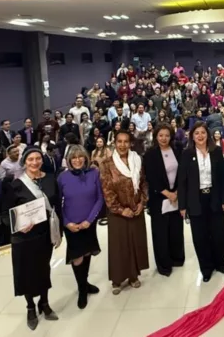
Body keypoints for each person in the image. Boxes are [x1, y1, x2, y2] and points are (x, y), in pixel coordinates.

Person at [4, 147, 62, 330]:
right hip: (24, 237)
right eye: (30, 159)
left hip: (44, 234)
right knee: (27, 272)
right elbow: (5, 214)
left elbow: (57, 205)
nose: (35, 162)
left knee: (44, 269)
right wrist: (19, 225)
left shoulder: (50, 179)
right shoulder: (16, 185)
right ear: (24, 162)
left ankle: (44, 303)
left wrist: (59, 231)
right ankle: (30, 307)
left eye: (38, 158)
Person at [177, 122, 224, 282]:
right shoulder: (187, 154)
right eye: (197, 133)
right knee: (200, 236)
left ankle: (220, 263)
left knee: (218, 233)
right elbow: (182, 181)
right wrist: (182, 205)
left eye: (203, 132)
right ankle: (206, 268)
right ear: (192, 136)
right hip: (195, 199)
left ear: (208, 135)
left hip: (214, 197)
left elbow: (223, 177)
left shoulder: (217, 151)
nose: (200, 136)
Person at [99, 130, 149, 294]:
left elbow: (143, 183)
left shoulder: (137, 160)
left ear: (130, 143)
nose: (122, 145)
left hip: (136, 209)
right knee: (119, 246)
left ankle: (133, 275)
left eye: (126, 141)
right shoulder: (107, 164)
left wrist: (142, 202)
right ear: (114, 143)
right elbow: (107, 190)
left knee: (135, 243)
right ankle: (117, 279)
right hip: (117, 213)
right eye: (119, 141)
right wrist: (120, 209)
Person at [57, 145, 103, 309]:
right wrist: (67, 222)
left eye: (80, 156)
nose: (77, 160)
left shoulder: (94, 173)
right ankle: (82, 289)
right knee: (77, 257)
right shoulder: (62, 177)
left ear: (85, 158)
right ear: (69, 160)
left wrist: (89, 220)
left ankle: (85, 282)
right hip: (71, 225)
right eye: (73, 158)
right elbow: (58, 204)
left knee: (88, 252)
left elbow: (99, 199)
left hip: (88, 223)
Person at [143, 124, 185, 277]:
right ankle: (164, 265)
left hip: (176, 195)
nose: (164, 138)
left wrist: (177, 192)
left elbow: (183, 171)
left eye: (167, 135)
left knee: (176, 229)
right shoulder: (150, 154)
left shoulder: (177, 149)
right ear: (156, 136)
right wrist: (168, 194)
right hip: (159, 198)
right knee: (160, 232)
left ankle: (177, 258)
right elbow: (151, 177)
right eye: (161, 135)